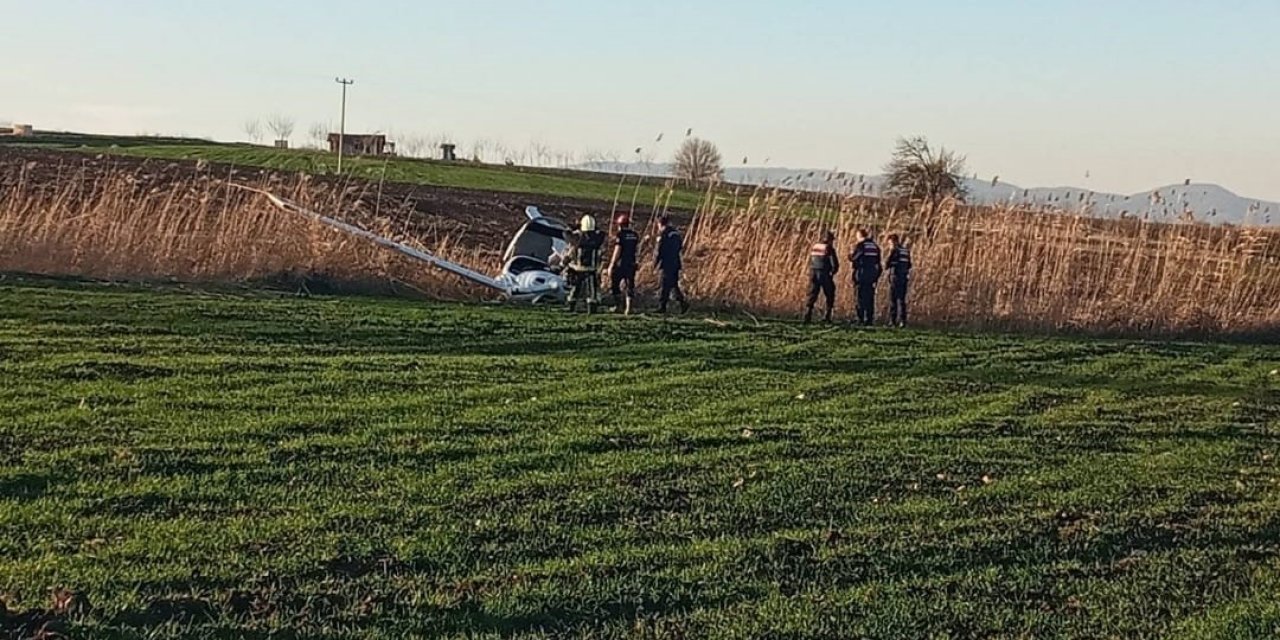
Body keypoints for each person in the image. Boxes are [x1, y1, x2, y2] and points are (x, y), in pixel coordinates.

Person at [565, 215, 606, 313]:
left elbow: (566, 234)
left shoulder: (577, 239)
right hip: (591, 269)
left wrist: (574, 227)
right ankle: (591, 309)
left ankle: (571, 307)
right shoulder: (597, 240)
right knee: (591, 291)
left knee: (575, 289)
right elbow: (602, 233)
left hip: (578, 269)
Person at [607, 212, 641, 314]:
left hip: (621, 264)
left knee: (615, 284)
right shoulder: (635, 235)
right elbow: (637, 249)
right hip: (631, 263)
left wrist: (611, 264)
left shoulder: (620, 235)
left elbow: (618, 249)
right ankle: (629, 308)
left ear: (620, 225)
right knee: (629, 285)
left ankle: (618, 306)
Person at [654, 215, 689, 314]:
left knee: (665, 284)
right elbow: (680, 247)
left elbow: (659, 250)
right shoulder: (676, 233)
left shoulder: (663, 234)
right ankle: (682, 303)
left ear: (660, 224)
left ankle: (662, 306)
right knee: (673, 284)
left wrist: (655, 263)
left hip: (666, 263)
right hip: (676, 263)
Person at [804, 230, 839, 323]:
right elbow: (834, 264)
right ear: (829, 240)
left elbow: (810, 261)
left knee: (812, 293)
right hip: (824, 273)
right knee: (830, 293)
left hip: (813, 272)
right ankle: (827, 316)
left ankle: (808, 314)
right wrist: (832, 272)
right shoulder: (829, 248)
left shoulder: (815, 247)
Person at [849, 228, 882, 326]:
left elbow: (855, 258)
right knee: (870, 297)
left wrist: (850, 256)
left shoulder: (861, 246)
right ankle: (869, 319)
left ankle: (860, 318)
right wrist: (876, 276)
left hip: (861, 274)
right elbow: (878, 263)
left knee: (859, 297)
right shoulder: (875, 246)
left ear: (859, 236)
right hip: (871, 274)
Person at [885, 234, 913, 327]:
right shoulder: (906, 251)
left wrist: (892, 263)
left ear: (894, 242)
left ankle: (892, 321)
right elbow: (909, 265)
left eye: (890, 244)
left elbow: (887, 264)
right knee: (901, 300)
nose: (889, 246)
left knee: (893, 299)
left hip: (895, 277)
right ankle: (902, 321)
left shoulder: (895, 250)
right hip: (904, 277)